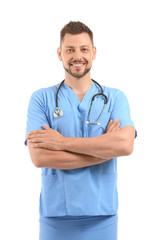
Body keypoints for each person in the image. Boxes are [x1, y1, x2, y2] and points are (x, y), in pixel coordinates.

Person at [25, 21, 136, 240]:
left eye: (84, 49)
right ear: (60, 54)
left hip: (103, 216)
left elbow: (125, 144)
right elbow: (39, 157)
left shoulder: (114, 98)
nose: (78, 56)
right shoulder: (41, 99)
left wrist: (62, 143)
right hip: (55, 217)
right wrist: (104, 149)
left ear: (93, 53)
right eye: (70, 50)